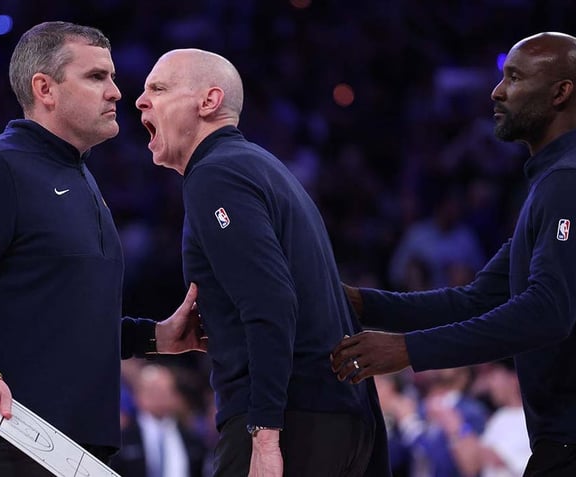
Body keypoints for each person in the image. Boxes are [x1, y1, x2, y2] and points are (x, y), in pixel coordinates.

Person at [330, 31, 576, 475]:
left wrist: (408, 351)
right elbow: (478, 299)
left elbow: (546, 313)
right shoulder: (558, 180)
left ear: (561, 92)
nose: (497, 91)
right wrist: (365, 304)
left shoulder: (575, 182)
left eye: (514, 78)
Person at [0, 21, 204, 476]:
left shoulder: (83, 178)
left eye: (112, 77)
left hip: (86, 453)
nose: (116, 93)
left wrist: (156, 337)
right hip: (11, 443)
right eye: (96, 77)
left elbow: (67, 322)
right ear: (44, 88)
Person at [135, 48, 390, 477]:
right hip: (345, 417)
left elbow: (270, 301)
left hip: (291, 422)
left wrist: (266, 433)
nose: (140, 100)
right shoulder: (265, 168)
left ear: (208, 101)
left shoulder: (215, 174)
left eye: (157, 88)